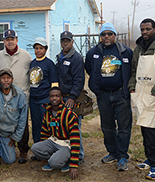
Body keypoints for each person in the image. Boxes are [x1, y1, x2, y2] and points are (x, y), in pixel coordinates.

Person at [128, 18, 155, 180]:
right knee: (144, 129)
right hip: (140, 93)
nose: (144, 32)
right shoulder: (139, 48)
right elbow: (133, 69)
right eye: (142, 29)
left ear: (154, 29)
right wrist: (132, 86)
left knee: (153, 130)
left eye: (147, 29)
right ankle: (149, 158)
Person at [85, 23, 133, 171]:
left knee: (124, 127)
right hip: (103, 95)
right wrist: (97, 88)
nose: (106, 36)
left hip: (121, 94)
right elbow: (89, 69)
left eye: (110, 34)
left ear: (114, 35)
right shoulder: (93, 53)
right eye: (104, 34)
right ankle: (112, 153)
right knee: (107, 127)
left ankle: (122, 156)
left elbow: (131, 70)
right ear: (101, 36)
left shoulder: (126, 52)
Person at [0, 29, 32, 163]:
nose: (10, 41)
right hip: (4, 97)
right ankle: (7, 146)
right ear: (4, 41)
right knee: (7, 122)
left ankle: (23, 150)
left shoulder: (26, 56)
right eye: (7, 39)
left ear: (16, 40)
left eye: (12, 39)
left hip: (22, 96)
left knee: (23, 124)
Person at [31, 87, 80, 180]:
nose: (54, 98)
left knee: (54, 163)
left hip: (66, 144)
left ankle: (66, 161)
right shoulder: (47, 113)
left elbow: (75, 140)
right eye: (52, 96)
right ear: (49, 98)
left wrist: (74, 165)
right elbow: (44, 133)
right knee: (35, 148)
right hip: (54, 141)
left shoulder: (69, 114)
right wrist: (42, 151)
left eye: (57, 96)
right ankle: (55, 158)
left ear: (61, 98)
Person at [55, 31, 85, 163]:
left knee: (74, 127)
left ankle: (79, 155)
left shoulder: (76, 58)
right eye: (63, 41)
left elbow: (79, 80)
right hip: (62, 97)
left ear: (72, 42)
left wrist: (72, 97)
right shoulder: (60, 57)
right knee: (63, 126)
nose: (65, 43)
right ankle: (67, 153)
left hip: (72, 98)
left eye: (68, 41)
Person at [29, 37, 58, 158]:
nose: (38, 51)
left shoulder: (49, 64)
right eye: (36, 48)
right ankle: (38, 149)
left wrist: (53, 100)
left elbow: (54, 83)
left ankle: (49, 149)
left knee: (46, 124)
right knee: (35, 124)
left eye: (41, 48)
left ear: (46, 49)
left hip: (44, 99)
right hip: (33, 99)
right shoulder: (32, 63)